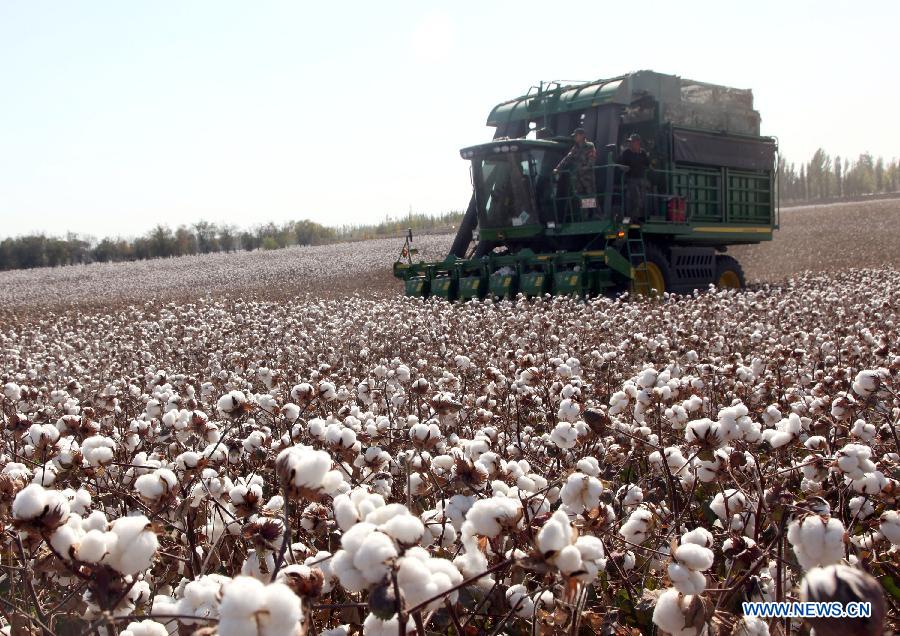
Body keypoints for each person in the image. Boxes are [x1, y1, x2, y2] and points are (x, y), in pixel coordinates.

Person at [554, 128, 597, 198]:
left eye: (576, 135)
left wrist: (583, 169)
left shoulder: (589, 146)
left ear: (582, 136)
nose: (574, 137)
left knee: (590, 199)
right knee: (582, 200)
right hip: (578, 180)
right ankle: (585, 208)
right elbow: (567, 158)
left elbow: (592, 161)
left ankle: (594, 209)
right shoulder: (575, 148)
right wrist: (557, 168)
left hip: (587, 179)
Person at [617, 133, 652, 221]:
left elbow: (648, 164)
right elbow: (619, 165)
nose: (630, 144)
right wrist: (624, 168)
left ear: (638, 142)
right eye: (629, 142)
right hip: (630, 179)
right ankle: (633, 219)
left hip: (642, 179)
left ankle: (641, 217)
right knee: (636, 199)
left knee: (643, 200)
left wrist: (651, 168)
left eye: (632, 142)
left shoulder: (643, 152)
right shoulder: (626, 153)